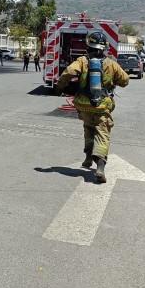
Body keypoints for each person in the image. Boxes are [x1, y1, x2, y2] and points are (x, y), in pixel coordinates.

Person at [54, 31, 129, 183]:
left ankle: (88, 157)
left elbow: (69, 72)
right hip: (102, 106)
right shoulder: (111, 64)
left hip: (84, 105)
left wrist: (60, 86)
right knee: (102, 134)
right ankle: (100, 167)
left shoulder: (82, 61)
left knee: (88, 129)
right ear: (104, 48)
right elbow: (125, 81)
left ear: (88, 46)